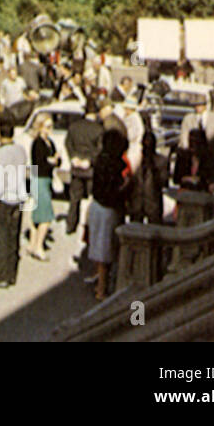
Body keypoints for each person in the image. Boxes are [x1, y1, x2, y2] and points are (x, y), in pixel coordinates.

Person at [86, 129, 133, 301]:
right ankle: (102, 289)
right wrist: (126, 185)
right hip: (109, 210)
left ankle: (98, 281)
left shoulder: (99, 161)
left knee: (99, 248)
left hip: (97, 207)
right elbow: (115, 192)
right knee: (107, 251)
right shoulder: (116, 165)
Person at [0, 121, 27, 289]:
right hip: (18, 197)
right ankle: (12, 274)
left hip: (3, 199)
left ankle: (2, 276)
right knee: (14, 236)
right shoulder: (20, 151)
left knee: (2, 238)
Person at [65, 102, 104, 236]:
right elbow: (100, 150)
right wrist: (89, 161)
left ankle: (70, 225)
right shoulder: (98, 129)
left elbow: (68, 143)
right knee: (91, 198)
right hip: (90, 169)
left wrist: (73, 157)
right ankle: (89, 226)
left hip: (76, 166)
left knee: (74, 198)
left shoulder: (74, 127)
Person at [28, 113, 58, 260]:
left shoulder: (49, 142)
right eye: (47, 126)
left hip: (46, 179)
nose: (49, 129)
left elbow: (57, 158)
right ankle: (38, 246)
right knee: (46, 216)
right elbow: (39, 163)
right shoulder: (37, 143)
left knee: (38, 215)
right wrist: (51, 162)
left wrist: (55, 161)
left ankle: (33, 244)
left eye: (51, 126)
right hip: (39, 178)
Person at [127, 129, 165, 225]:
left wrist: (153, 167)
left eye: (149, 143)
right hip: (136, 203)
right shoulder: (135, 159)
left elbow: (163, 182)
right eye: (145, 143)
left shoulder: (161, 161)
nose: (147, 145)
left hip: (153, 204)